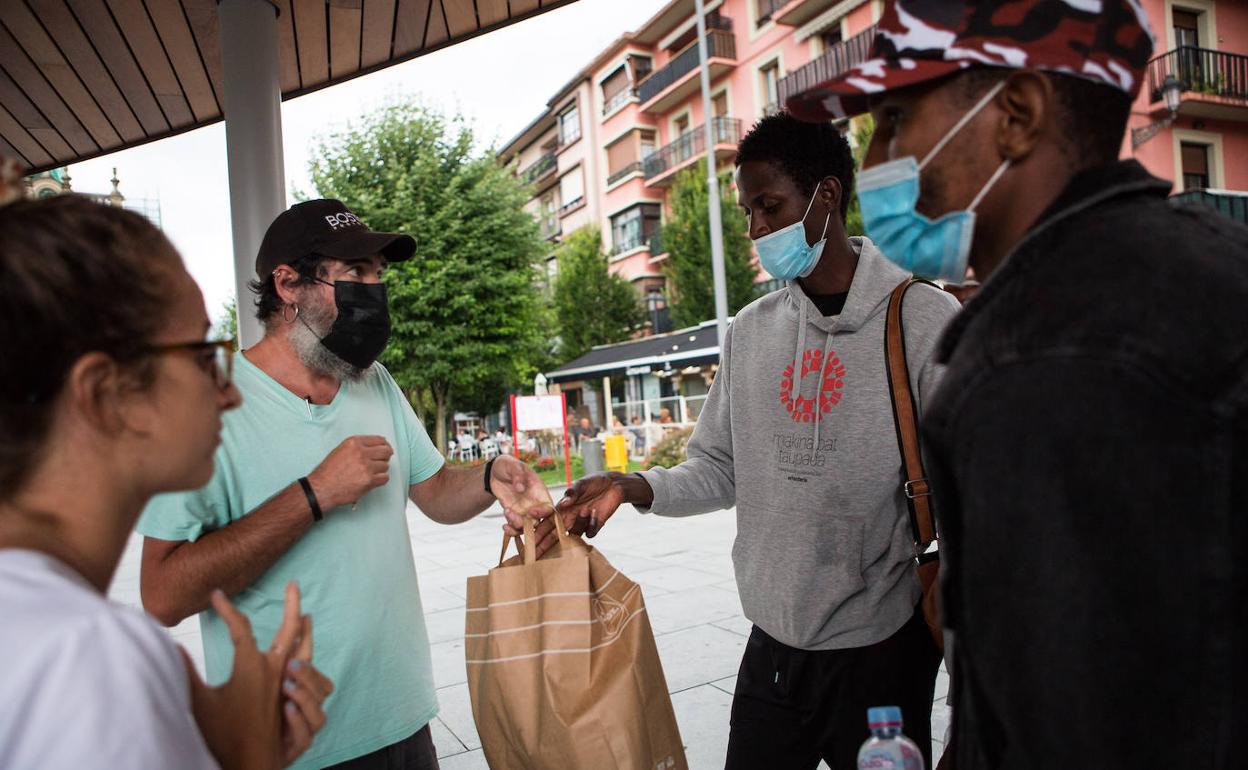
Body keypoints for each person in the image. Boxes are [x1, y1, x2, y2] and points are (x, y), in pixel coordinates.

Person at [790, 1, 1248, 767]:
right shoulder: (1213, 264)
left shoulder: (1038, 361)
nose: (873, 165)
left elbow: (1063, 724)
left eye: (896, 119)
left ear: (1017, 115)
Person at [546, 113, 960, 769]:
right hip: (772, 649)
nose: (755, 231)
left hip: (884, 652)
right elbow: (716, 467)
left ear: (825, 196)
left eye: (769, 207)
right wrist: (633, 484)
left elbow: (976, 498)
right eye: (747, 211)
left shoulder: (923, 320)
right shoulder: (750, 330)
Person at [137, 199, 551, 769]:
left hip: (402, 718)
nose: (374, 289)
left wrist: (489, 476)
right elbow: (161, 595)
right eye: (355, 274)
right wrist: (314, 495)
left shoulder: (373, 381)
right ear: (287, 284)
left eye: (378, 273)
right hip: (290, 746)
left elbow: (433, 493)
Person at [0, 196, 332, 769]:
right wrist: (250, 758)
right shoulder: (85, 660)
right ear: (108, 394)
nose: (227, 393)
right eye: (203, 354)